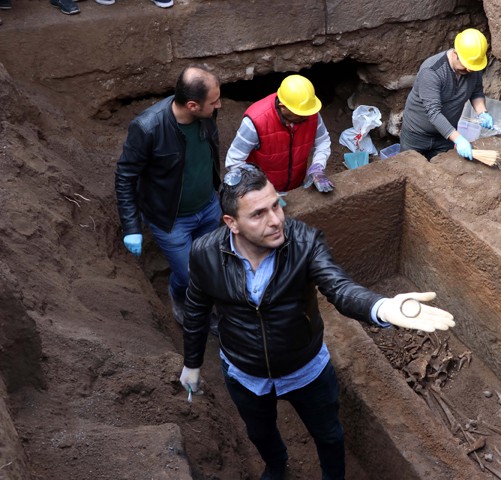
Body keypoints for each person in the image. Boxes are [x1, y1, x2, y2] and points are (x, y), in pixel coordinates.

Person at [179, 165, 455, 480]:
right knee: (260, 432)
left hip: (305, 369)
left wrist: (380, 306)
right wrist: (192, 363)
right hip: (245, 373)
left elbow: (339, 288)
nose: (275, 220)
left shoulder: (305, 242)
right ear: (232, 223)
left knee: (329, 434)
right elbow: (196, 308)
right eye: (258, 214)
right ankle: (276, 463)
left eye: (275, 205)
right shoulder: (205, 253)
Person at [115, 65, 222, 327]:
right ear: (193, 105)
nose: (219, 105)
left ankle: (210, 306)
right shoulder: (148, 128)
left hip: (209, 207)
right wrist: (131, 226)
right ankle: (181, 299)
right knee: (188, 277)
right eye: (214, 100)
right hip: (172, 220)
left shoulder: (206, 116)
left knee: (210, 264)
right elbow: (126, 175)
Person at [225, 74, 334, 195]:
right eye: (300, 114)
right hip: (264, 190)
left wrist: (318, 166)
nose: (306, 118)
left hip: (296, 184)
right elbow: (234, 161)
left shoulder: (309, 112)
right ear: (283, 107)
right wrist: (260, 188)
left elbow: (323, 141)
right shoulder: (255, 121)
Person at [400, 28, 494, 161]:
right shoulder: (432, 71)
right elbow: (433, 113)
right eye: (466, 65)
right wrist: (459, 139)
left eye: (473, 67)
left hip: (445, 137)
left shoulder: (473, 67)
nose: (469, 69)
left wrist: (482, 112)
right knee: (409, 171)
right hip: (416, 135)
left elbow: (476, 92)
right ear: (455, 53)